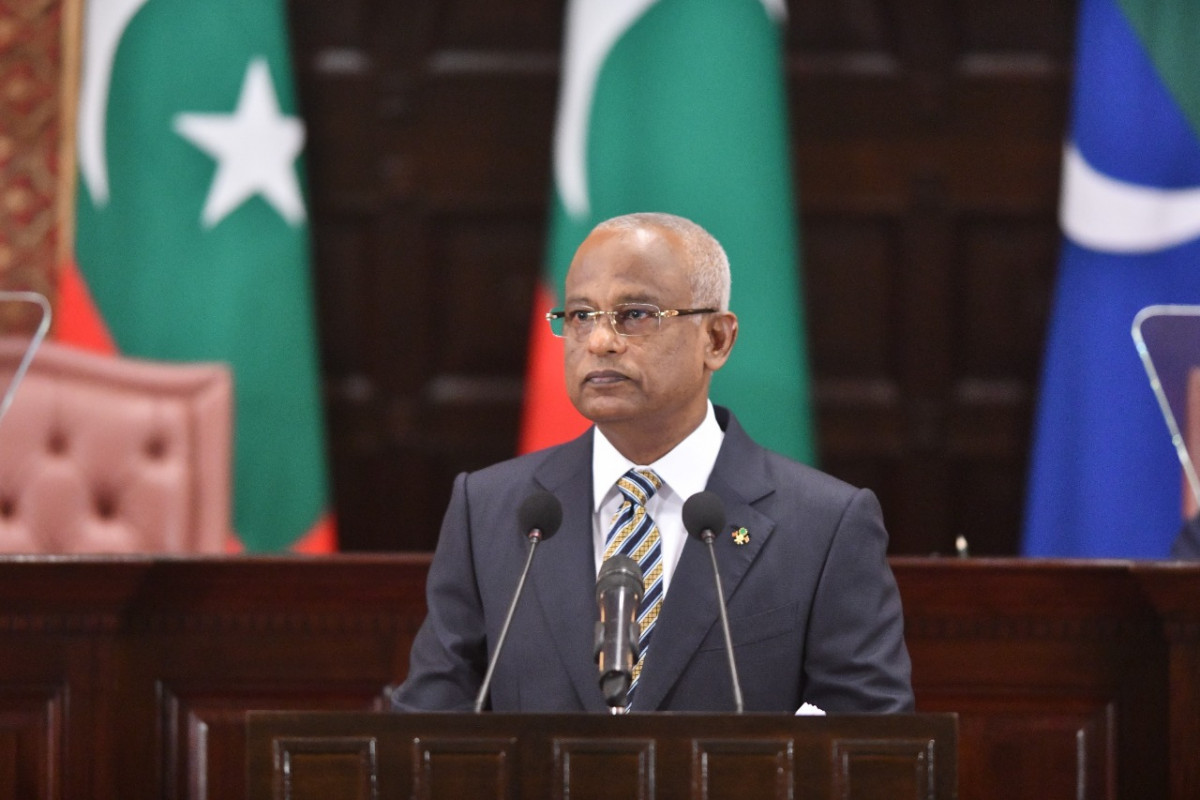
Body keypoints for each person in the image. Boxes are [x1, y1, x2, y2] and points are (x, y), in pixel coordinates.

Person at [392, 212, 913, 713]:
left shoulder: (825, 523)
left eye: (635, 315)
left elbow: (873, 747)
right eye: (580, 316)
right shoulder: (492, 510)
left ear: (717, 339)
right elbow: (429, 725)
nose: (599, 341)